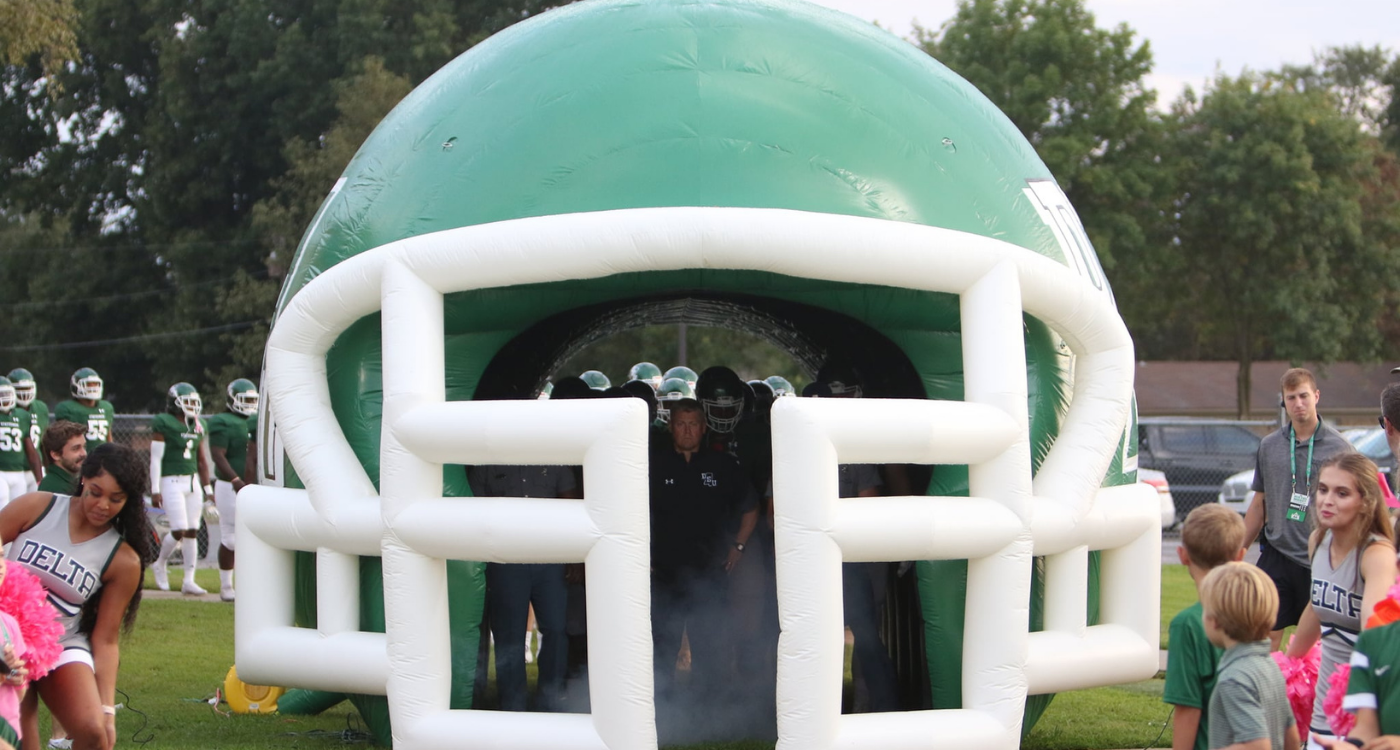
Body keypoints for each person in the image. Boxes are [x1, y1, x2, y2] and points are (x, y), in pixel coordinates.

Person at [0, 442, 154, 750]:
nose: (102, 505)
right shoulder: (37, 506)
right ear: (83, 479)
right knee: (22, 737)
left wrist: (108, 711)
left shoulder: (123, 560)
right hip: (8, 638)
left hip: (61, 643)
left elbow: (106, 640)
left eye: (116, 498)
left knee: (95, 733)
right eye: (96, 492)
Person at [1283, 453, 1397, 750]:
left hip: (1363, 716)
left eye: (1341, 493)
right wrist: (1286, 667)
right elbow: (1317, 604)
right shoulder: (1318, 541)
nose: (1327, 500)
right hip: (1325, 711)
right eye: (1323, 490)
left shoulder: (1376, 554)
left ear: (1366, 502)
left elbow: (1376, 635)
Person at [649, 399, 758, 703]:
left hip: (710, 574)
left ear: (704, 428)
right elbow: (628, 511)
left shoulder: (723, 465)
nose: (687, 431)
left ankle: (708, 710)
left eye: (693, 424)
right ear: (671, 427)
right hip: (664, 574)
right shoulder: (652, 465)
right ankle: (662, 710)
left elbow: (751, 509)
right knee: (662, 646)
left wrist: (738, 546)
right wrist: (640, 553)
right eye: (681, 424)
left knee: (710, 645)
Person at [1244, 368, 1353, 651]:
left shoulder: (1340, 447)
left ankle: (1309, 694)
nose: (1298, 403)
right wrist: (1237, 547)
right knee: (1265, 633)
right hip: (1277, 553)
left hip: (1320, 557)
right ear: (1283, 401)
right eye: (1291, 398)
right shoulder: (1269, 446)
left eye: (1304, 396)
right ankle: (1265, 691)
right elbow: (1259, 502)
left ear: (1316, 396)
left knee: (1316, 642)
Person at [467, 462, 577, 711]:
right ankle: (512, 705)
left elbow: (571, 504)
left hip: (550, 559)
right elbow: (472, 511)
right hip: (506, 561)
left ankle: (550, 700)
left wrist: (573, 556)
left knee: (557, 630)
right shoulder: (488, 463)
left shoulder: (553, 456)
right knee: (509, 637)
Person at [1166, 505, 1249, 750]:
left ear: (1183, 555)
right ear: (1240, 557)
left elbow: (1188, 709)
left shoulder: (1188, 624)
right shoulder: (1253, 613)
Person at [1200, 562, 1300, 750]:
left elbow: (1257, 745)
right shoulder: (1270, 667)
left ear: (1215, 622)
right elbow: (1292, 738)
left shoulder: (1234, 680)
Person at [149, 383, 213, 596]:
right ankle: (160, 563)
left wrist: (208, 489)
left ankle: (189, 580)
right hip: (171, 480)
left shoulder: (198, 424)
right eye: (188, 402)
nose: (192, 406)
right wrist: (155, 488)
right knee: (178, 529)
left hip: (193, 481)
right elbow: (156, 459)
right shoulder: (164, 423)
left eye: (195, 402)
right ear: (175, 403)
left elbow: (202, 460)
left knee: (193, 530)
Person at [204, 379, 258, 602]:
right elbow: (218, 454)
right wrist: (235, 480)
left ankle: (250, 586)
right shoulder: (222, 421)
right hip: (228, 486)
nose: (248, 405)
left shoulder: (254, 421)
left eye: (252, 400)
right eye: (244, 400)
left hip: (253, 485)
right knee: (231, 537)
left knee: (253, 536)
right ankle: (226, 586)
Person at [0, 379, 42, 509]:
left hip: (19, 473)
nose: (5, 398)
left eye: (7, 394)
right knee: (2, 503)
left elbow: (31, 450)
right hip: (1, 471)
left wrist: (39, 478)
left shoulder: (22, 416)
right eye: (1, 395)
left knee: (19, 510)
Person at [52, 370, 114, 456]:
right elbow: (62, 440)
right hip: (79, 458)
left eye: (95, 384)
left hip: (102, 458)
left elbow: (108, 436)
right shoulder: (68, 409)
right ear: (76, 386)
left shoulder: (106, 407)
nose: (93, 388)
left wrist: (112, 453)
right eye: (88, 384)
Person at [7, 370, 48, 494]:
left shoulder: (40, 408)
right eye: (20, 389)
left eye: (27, 388)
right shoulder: (7, 410)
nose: (24, 393)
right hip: (13, 469)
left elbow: (44, 441)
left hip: (37, 468)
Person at [37, 422, 87, 495]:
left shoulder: (74, 481)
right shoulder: (52, 487)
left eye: (84, 447)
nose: (84, 453)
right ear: (56, 455)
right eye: (76, 448)